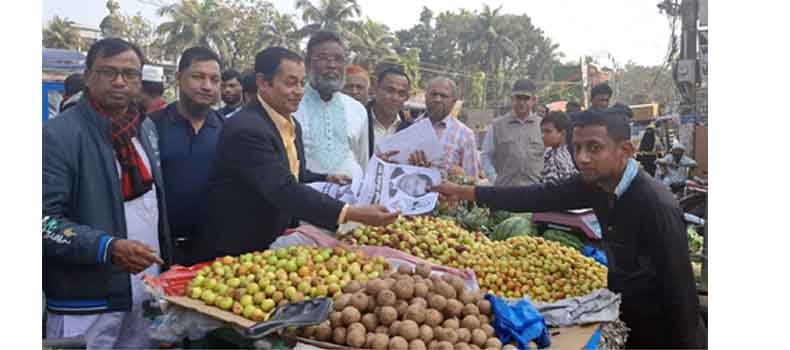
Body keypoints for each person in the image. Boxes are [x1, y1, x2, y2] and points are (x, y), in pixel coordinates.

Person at [432, 108, 706, 349]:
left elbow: (681, 293)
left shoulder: (655, 205)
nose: (582, 158)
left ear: (624, 151)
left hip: (664, 334)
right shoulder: (597, 184)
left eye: (594, 148)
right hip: (629, 317)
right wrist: (465, 192)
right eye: (577, 147)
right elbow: (536, 196)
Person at [194, 47, 398, 261]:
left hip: (274, 241)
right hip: (238, 245)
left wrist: (325, 178)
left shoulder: (290, 123)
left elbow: (291, 172)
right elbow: (282, 188)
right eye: (290, 83)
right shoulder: (247, 128)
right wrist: (352, 213)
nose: (299, 91)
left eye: (302, 83)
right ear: (263, 82)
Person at [43, 38, 171, 349]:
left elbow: (152, 206)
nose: (119, 82)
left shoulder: (144, 129)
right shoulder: (58, 135)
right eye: (107, 72)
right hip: (86, 302)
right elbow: (42, 222)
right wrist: (107, 247)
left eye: (130, 74)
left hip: (144, 292)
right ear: (88, 76)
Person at [149, 47, 224, 265]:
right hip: (159, 249)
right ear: (179, 78)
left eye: (214, 79)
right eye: (198, 77)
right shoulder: (151, 126)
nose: (207, 86)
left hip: (214, 252)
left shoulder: (228, 130)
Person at [294, 30, 369, 177]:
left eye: (339, 59)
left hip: (350, 197)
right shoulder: (291, 104)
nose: (332, 65)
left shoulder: (357, 109)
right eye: (323, 58)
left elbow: (362, 160)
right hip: (304, 196)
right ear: (308, 63)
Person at [411, 76, 479, 179]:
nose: (437, 99)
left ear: (454, 102)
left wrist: (454, 175)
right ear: (426, 97)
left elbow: (471, 180)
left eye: (443, 96)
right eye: (433, 94)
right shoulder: (411, 127)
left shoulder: (465, 135)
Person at [481, 79, 544, 186]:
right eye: (518, 98)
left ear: (534, 100)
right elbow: (486, 156)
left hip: (536, 192)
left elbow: (549, 157)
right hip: (506, 192)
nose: (521, 102)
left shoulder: (543, 125)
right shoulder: (496, 126)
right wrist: (495, 180)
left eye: (526, 98)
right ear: (512, 99)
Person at [366, 67, 413, 157]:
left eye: (401, 93)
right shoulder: (357, 120)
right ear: (376, 89)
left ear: (407, 98)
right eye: (390, 90)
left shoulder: (410, 130)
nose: (395, 98)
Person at [540, 111, 579, 185]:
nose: (543, 135)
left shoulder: (561, 157)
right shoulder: (549, 152)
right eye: (542, 131)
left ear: (562, 133)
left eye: (548, 131)